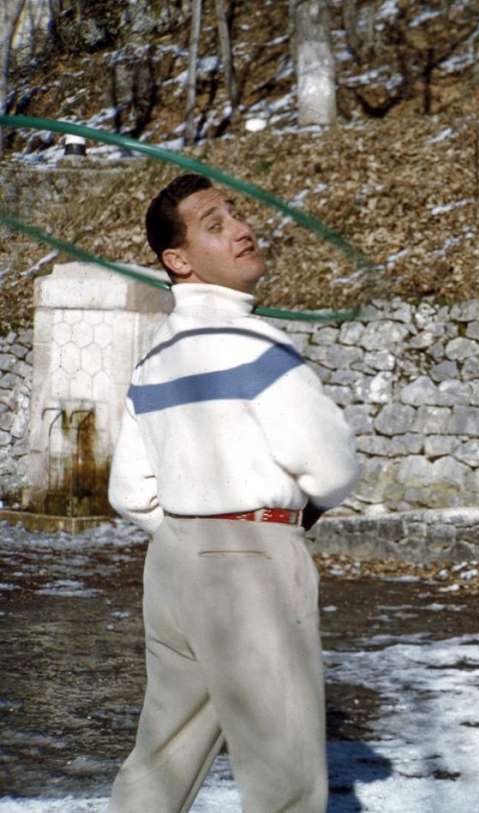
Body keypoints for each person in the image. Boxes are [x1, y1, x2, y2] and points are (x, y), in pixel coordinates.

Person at [106, 173, 360, 812]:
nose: (243, 230)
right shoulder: (256, 342)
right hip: (251, 561)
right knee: (285, 776)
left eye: (236, 214)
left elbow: (129, 493)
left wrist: (190, 536)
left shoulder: (154, 357)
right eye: (213, 225)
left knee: (163, 759)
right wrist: (272, 524)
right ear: (178, 261)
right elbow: (330, 468)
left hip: (172, 567)